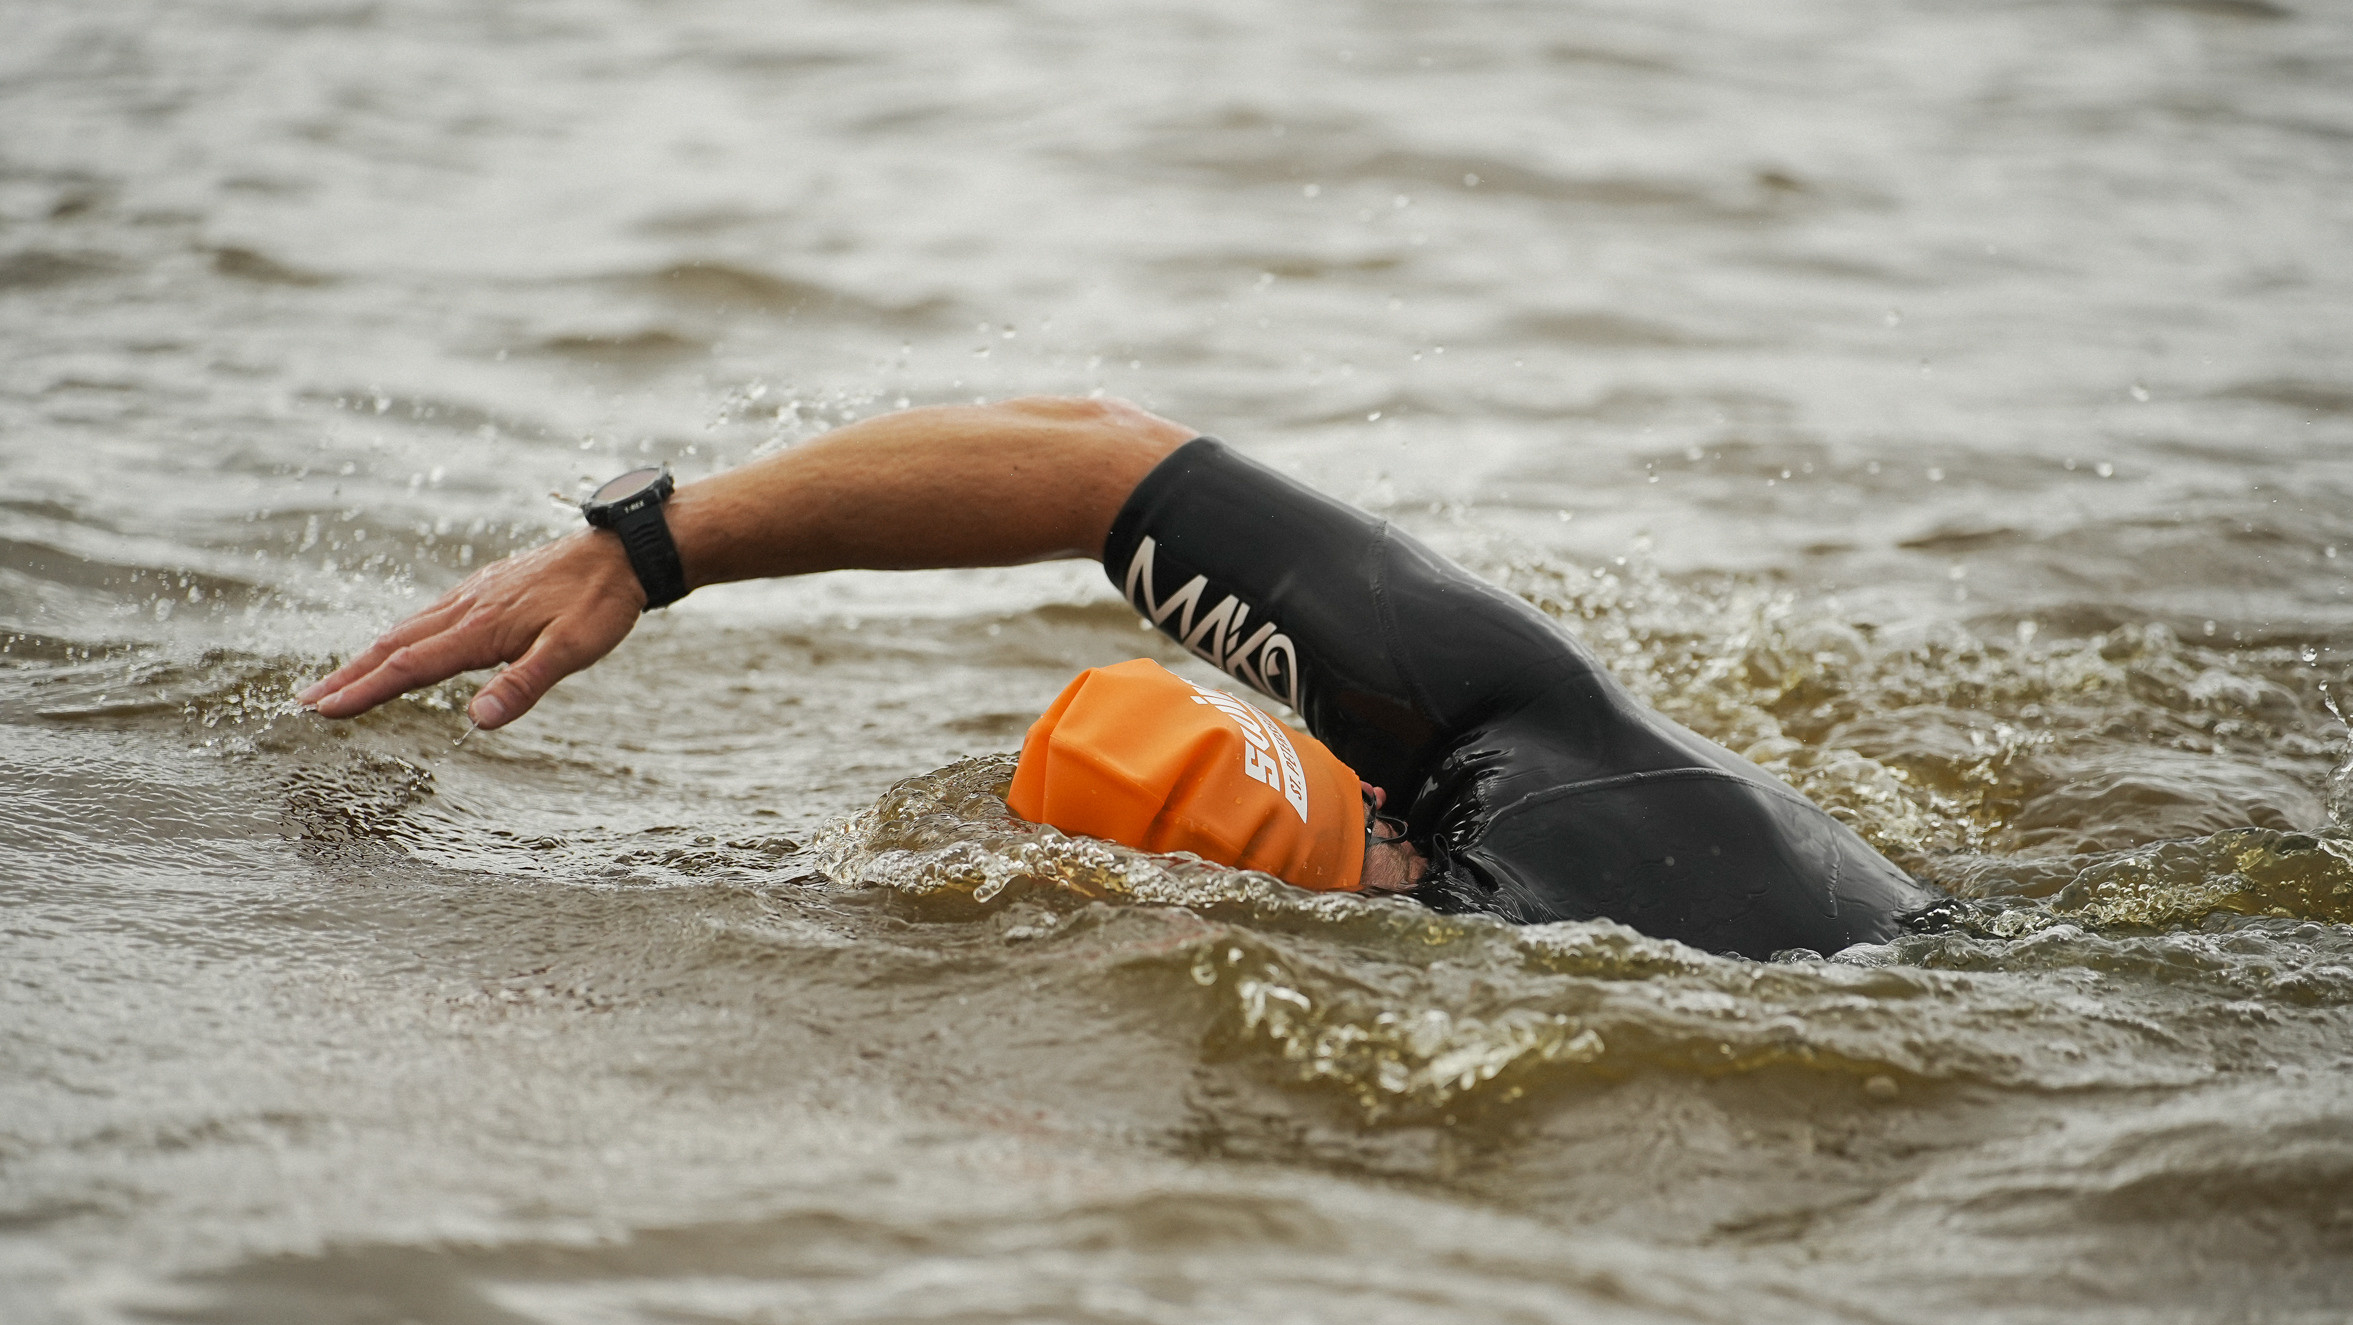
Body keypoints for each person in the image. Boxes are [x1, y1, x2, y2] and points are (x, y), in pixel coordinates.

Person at [298, 396, 1931, 956]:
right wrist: (652, 548)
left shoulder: (1494, 961)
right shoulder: (1510, 720)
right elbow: (1098, 458)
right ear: (1349, 761)